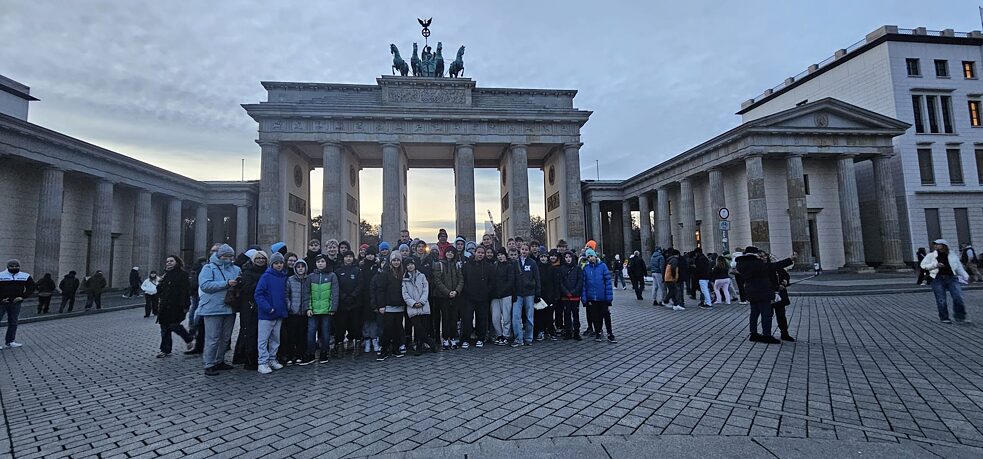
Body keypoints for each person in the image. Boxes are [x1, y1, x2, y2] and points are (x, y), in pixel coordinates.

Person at [197, 244, 241, 376]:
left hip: (230, 307)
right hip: (212, 308)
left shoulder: (236, 269)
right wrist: (226, 283)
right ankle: (209, 364)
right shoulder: (208, 268)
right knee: (213, 338)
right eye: (225, 256)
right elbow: (205, 285)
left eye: (231, 256)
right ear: (219, 256)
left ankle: (219, 360)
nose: (228, 259)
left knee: (225, 338)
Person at [736, 247, 794, 343]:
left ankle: (753, 334)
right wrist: (790, 259)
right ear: (754, 254)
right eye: (759, 255)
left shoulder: (741, 263)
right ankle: (767, 335)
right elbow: (774, 266)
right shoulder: (756, 263)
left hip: (751, 291)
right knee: (766, 314)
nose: (761, 257)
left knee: (754, 313)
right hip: (763, 292)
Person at [254, 252, 289, 374]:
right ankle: (262, 362)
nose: (279, 265)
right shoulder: (266, 277)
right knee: (263, 340)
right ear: (272, 264)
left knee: (275, 339)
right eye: (276, 263)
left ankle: (272, 359)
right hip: (267, 314)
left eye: (281, 263)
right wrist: (268, 308)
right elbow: (258, 294)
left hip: (279, 313)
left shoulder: (283, 276)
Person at [921, 239, 971, 324]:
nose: (935, 246)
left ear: (943, 245)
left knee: (958, 297)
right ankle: (944, 317)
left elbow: (958, 267)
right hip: (937, 278)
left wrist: (965, 276)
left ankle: (960, 316)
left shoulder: (952, 254)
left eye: (937, 244)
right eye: (934, 244)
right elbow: (923, 265)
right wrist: (935, 265)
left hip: (951, 278)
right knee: (941, 299)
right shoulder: (931, 255)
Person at [233, 250, 267, 371]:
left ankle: (259, 357)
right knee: (249, 333)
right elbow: (246, 289)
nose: (260, 260)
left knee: (261, 333)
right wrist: (261, 283)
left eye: (263, 258)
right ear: (253, 260)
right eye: (258, 258)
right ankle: (248, 360)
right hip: (249, 305)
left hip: (263, 305)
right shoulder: (247, 272)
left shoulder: (268, 271)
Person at [155, 255, 194, 358]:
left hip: (176, 306)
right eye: (167, 261)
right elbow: (160, 291)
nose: (169, 263)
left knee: (174, 325)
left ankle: (188, 338)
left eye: (171, 261)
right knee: (164, 329)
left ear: (177, 262)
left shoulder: (183, 274)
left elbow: (185, 291)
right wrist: (160, 283)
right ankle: (165, 350)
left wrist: (186, 306)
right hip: (164, 307)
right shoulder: (165, 275)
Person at [308, 254, 339, 363]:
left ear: (326, 263)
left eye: (322, 261)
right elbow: (308, 293)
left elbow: (334, 293)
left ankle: (324, 352)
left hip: (326, 310)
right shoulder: (311, 276)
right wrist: (309, 308)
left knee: (326, 332)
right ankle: (311, 353)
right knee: (311, 332)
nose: (320, 264)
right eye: (318, 262)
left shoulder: (332, 275)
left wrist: (333, 307)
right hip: (313, 310)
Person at [402, 257, 436, 355]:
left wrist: (421, 301)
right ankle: (430, 342)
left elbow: (426, 289)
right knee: (418, 327)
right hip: (412, 307)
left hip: (423, 305)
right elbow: (405, 293)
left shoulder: (422, 276)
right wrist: (413, 303)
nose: (410, 266)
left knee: (424, 327)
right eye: (408, 265)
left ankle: (420, 346)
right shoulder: (404, 279)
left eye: (411, 264)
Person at [375, 252, 406, 360]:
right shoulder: (385, 273)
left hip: (399, 306)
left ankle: (396, 348)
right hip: (388, 306)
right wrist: (381, 305)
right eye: (394, 260)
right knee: (387, 330)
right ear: (390, 261)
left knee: (397, 328)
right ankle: (384, 349)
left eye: (398, 260)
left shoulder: (402, 273)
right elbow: (380, 290)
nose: (396, 262)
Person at [432, 245, 464, 349]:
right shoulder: (439, 264)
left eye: (452, 252)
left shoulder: (457, 265)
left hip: (455, 295)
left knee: (454, 317)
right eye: (448, 252)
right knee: (445, 317)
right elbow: (437, 281)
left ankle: (453, 337)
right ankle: (445, 338)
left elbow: (461, 279)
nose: (450, 254)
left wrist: (456, 291)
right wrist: (447, 292)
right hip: (443, 296)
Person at [462, 245, 493, 348]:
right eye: (478, 252)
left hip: (483, 297)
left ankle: (480, 338)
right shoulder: (467, 265)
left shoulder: (488, 266)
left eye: (482, 253)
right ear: (475, 252)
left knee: (481, 318)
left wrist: (486, 292)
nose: (480, 254)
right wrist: (467, 291)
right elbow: (463, 279)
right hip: (469, 297)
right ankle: (466, 339)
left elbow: (491, 282)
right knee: (467, 319)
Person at [582, 249, 616, 343]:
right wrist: (584, 298)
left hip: (602, 297)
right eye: (588, 257)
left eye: (591, 256)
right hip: (591, 297)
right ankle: (598, 332)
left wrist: (609, 297)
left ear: (595, 256)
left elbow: (608, 282)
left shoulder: (602, 266)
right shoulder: (586, 268)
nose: (590, 258)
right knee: (595, 316)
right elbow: (584, 285)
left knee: (606, 315)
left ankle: (610, 333)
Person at [334, 251, 362, 358]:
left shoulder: (357, 270)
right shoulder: (338, 271)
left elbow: (360, 285)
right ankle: (340, 347)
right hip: (342, 304)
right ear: (343, 258)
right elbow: (336, 286)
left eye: (350, 256)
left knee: (356, 326)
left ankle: (357, 347)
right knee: (341, 327)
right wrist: (344, 296)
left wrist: (353, 295)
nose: (349, 258)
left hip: (355, 304)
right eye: (346, 257)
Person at [0, 259, 34, 349]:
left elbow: (31, 287)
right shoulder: (1, 275)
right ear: (8, 267)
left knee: (13, 322)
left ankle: (10, 341)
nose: (14, 268)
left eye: (16, 266)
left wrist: (22, 297)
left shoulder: (25, 276)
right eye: (12, 266)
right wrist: (1, 300)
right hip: (2, 303)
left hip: (16, 303)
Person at [511, 243, 540, 347]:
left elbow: (537, 278)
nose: (524, 251)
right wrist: (513, 292)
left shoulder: (532, 263)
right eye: (523, 249)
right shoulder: (515, 263)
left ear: (529, 251)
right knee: (516, 316)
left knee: (529, 317)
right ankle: (518, 338)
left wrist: (537, 292)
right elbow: (512, 278)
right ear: (520, 250)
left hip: (529, 293)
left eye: (526, 249)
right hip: (518, 293)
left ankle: (528, 338)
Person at [283, 259, 311, 365]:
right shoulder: (290, 280)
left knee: (302, 334)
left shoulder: (308, 279)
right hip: (293, 312)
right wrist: (289, 306)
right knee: (291, 334)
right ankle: (291, 355)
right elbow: (286, 295)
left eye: (302, 267)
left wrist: (308, 307)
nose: (300, 269)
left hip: (304, 312)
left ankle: (300, 354)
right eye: (298, 267)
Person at [491, 247, 515, 346]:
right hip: (495, 296)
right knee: (495, 317)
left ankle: (506, 335)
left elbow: (511, 281)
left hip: (506, 295)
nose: (500, 257)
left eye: (502, 254)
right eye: (498, 255)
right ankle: (499, 334)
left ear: (505, 255)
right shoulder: (495, 265)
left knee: (506, 317)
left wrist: (503, 291)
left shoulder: (509, 266)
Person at [359, 247, 382, 354]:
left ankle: (374, 338)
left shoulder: (377, 267)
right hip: (364, 297)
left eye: (372, 254)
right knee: (365, 319)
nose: (370, 256)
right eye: (368, 254)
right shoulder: (362, 266)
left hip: (375, 296)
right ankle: (367, 339)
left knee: (374, 320)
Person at [534, 251, 560, 341]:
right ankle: (541, 331)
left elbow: (556, 283)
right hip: (540, 295)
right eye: (541, 257)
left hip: (550, 295)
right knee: (540, 315)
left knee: (549, 315)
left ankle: (551, 331)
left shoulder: (552, 268)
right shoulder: (537, 268)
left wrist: (556, 295)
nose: (543, 258)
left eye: (545, 256)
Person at [768, 253, 794, 341]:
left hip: (780, 295)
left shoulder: (779, 269)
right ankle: (767, 333)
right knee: (768, 315)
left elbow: (786, 275)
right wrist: (776, 287)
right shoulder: (766, 269)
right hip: (770, 295)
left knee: (781, 315)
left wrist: (785, 281)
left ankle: (784, 333)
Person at [558, 251, 584, 340]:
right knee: (567, 315)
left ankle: (576, 332)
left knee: (576, 315)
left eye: (570, 257)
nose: (568, 259)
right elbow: (560, 282)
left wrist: (573, 292)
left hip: (575, 296)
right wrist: (566, 292)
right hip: (565, 296)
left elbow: (580, 281)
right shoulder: (561, 269)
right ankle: (568, 332)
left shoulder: (577, 268)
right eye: (566, 257)